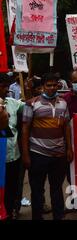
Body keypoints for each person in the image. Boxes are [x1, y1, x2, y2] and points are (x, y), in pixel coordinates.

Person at [21, 73, 72, 220]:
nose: (51, 88)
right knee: (37, 190)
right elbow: (25, 129)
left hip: (59, 154)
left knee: (57, 189)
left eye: (54, 85)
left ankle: (59, 216)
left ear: (58, 86)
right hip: (38, 154)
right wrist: (26, 154)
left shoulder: (63, 103)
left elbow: (66, 127)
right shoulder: (31, 103)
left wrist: (69, 149)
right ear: (42, 87)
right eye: (48, 85)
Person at [0, 74, 25, 219]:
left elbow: (29, 105)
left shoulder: (13, 103)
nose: (5, 90)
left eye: (6, 87)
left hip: (13, 156)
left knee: (12, 187)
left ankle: (10, 211)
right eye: (2, 87)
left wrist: (29, 90)